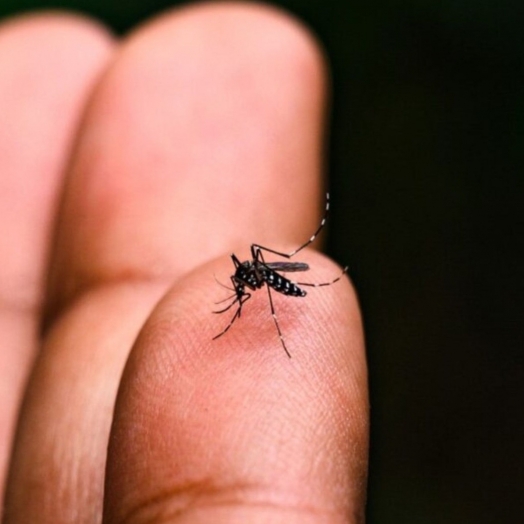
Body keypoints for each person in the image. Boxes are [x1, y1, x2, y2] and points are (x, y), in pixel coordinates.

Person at [0, 3, 368, 522]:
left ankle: (299, 267)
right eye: (241, 284)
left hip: (287, 282)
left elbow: (256, 282)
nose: (240, 282)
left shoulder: (257, 276)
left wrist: (258, 298)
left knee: (266, 271)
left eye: (242, 283)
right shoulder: (244, 275)